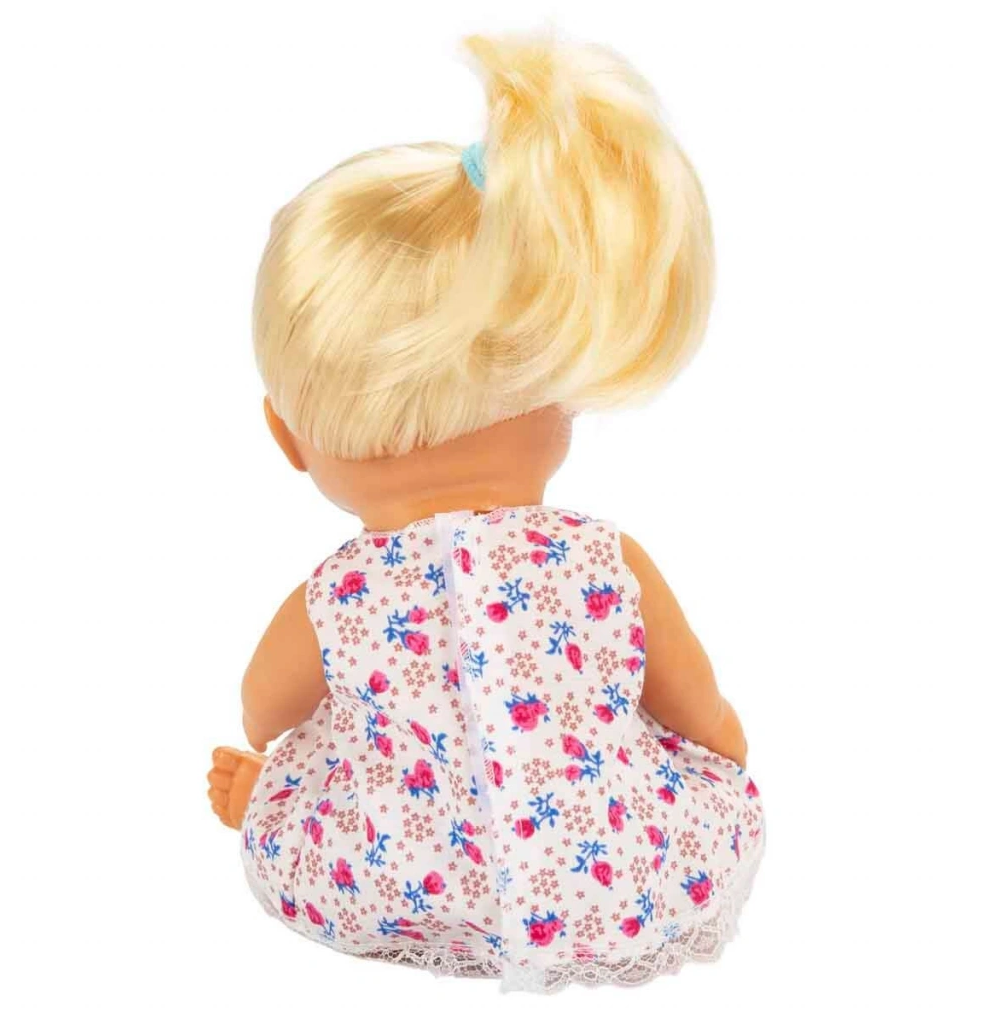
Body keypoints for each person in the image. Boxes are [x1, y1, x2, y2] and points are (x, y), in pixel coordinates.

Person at [207, 30, 764, 992]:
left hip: (389, 874)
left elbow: (264, 707)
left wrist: (278, 758)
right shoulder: (601, 559)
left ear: (288, 438)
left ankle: (272, 806)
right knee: (698, 793)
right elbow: (687, 692)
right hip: (606, 874)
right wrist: (720, 738)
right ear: (561, 397)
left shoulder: (342, 594)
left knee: (297, 779)